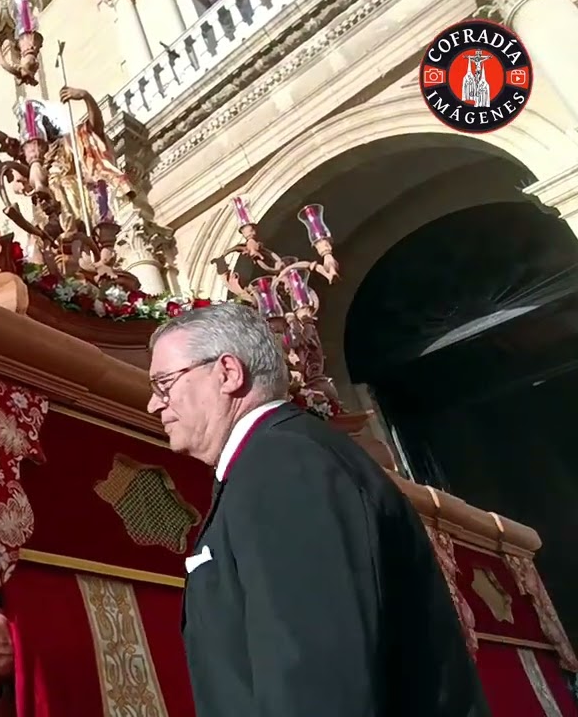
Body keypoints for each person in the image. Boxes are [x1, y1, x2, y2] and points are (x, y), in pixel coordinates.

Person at [147, 302, 488, 717]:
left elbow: (316, 676)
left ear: (228, 373)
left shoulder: (284, 466)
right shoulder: (277, 459)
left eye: (164, 383)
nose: (154, 405)